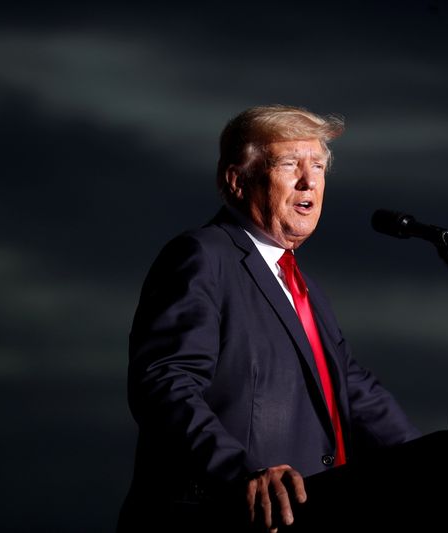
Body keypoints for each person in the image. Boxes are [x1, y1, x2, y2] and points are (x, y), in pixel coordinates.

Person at [117, 104, 420, 532]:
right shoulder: (203, 256)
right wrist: (238, 471)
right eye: (289, 164)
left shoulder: (305, 290)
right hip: (223, 517)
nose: (309, 179)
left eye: (318, 165)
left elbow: (356, 392)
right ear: (237, 180)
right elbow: (165, 382)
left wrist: (447, 463)